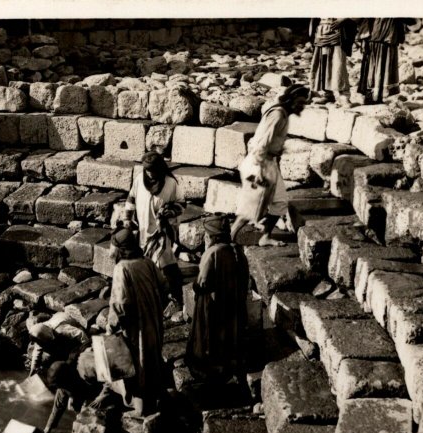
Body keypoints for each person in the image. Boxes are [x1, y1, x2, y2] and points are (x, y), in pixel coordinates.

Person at [90, 228, 168, 416]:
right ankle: (154, 398)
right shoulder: (147, 262)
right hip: (153, 321)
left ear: (120, 248)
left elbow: (120, 303)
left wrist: (112, 326)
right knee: (151, 359)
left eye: (113, 246)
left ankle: (139, 408)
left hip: (135, 327)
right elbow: (164, 286)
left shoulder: (121, 268)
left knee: (136, 362)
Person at [231, 84, 310, 247]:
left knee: (280, 202)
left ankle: (265, 236)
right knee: (250, 209)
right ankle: (228, 240)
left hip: (269, 163)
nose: (302, 106)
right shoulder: (278, 114)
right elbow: (262, 141)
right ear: (291, 99)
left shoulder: (284, 114)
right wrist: (259, 170)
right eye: (300, 102)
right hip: (259, 164)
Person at [186, 215, 250, 382]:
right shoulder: (237, 250)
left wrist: (195, 287)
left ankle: (213, 371)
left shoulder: (212, 253)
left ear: (211, 236)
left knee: (211, 338)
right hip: (235, 304)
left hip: (217, 306)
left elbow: (203, 283)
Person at [124, 152, 185, 305]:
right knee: (145, 261)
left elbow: (182, 204)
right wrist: (127, 218)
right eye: (147, 170)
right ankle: (149, 293)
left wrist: (170, 211)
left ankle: (177, 295)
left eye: (152, 170)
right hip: (143, 230)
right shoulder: (139, 180)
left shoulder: (171, 183)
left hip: (162, 232)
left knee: (166, 261)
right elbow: (130, 199)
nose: (150, 173)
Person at [357, 18, 415, 104]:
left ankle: (375, 97)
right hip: (378, 37)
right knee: (376, 68)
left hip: (385, 37)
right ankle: (373, 96)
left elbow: (411, 21)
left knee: (378, 69)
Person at [308, 18, 356, 101]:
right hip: (321, 32)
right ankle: (327, 93)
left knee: (338, 64)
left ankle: (344, 95)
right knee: (323, 63)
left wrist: (343, 19)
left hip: (337, 32)